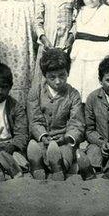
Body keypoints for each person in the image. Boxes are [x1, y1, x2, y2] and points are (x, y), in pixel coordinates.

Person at [26, 48, 84, 180]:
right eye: (52, 77)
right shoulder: (35, 92)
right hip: (42, 139)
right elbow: (34, 120)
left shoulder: (73, 94)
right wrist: (43, 136)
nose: (58, 81)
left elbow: (77, 123)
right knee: (36, 148)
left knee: (67, 152)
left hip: (63, 140)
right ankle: (38, 166)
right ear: (45, 76)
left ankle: (59, 167)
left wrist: (67, 138)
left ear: (68, 73)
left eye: (62, 75)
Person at [32, 0, 77, 90]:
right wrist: (44, 40)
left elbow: (76, 21)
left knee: (62, 78)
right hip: (47, 45)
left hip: (65, 45)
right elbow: (37, 21)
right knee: (43, 79)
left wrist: (70, 38)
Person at [67, 0, 109, 96]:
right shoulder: (79, 10)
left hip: (98, 54)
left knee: (93, 85)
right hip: (80, 53)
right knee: (77, 85)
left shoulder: (107, 11)